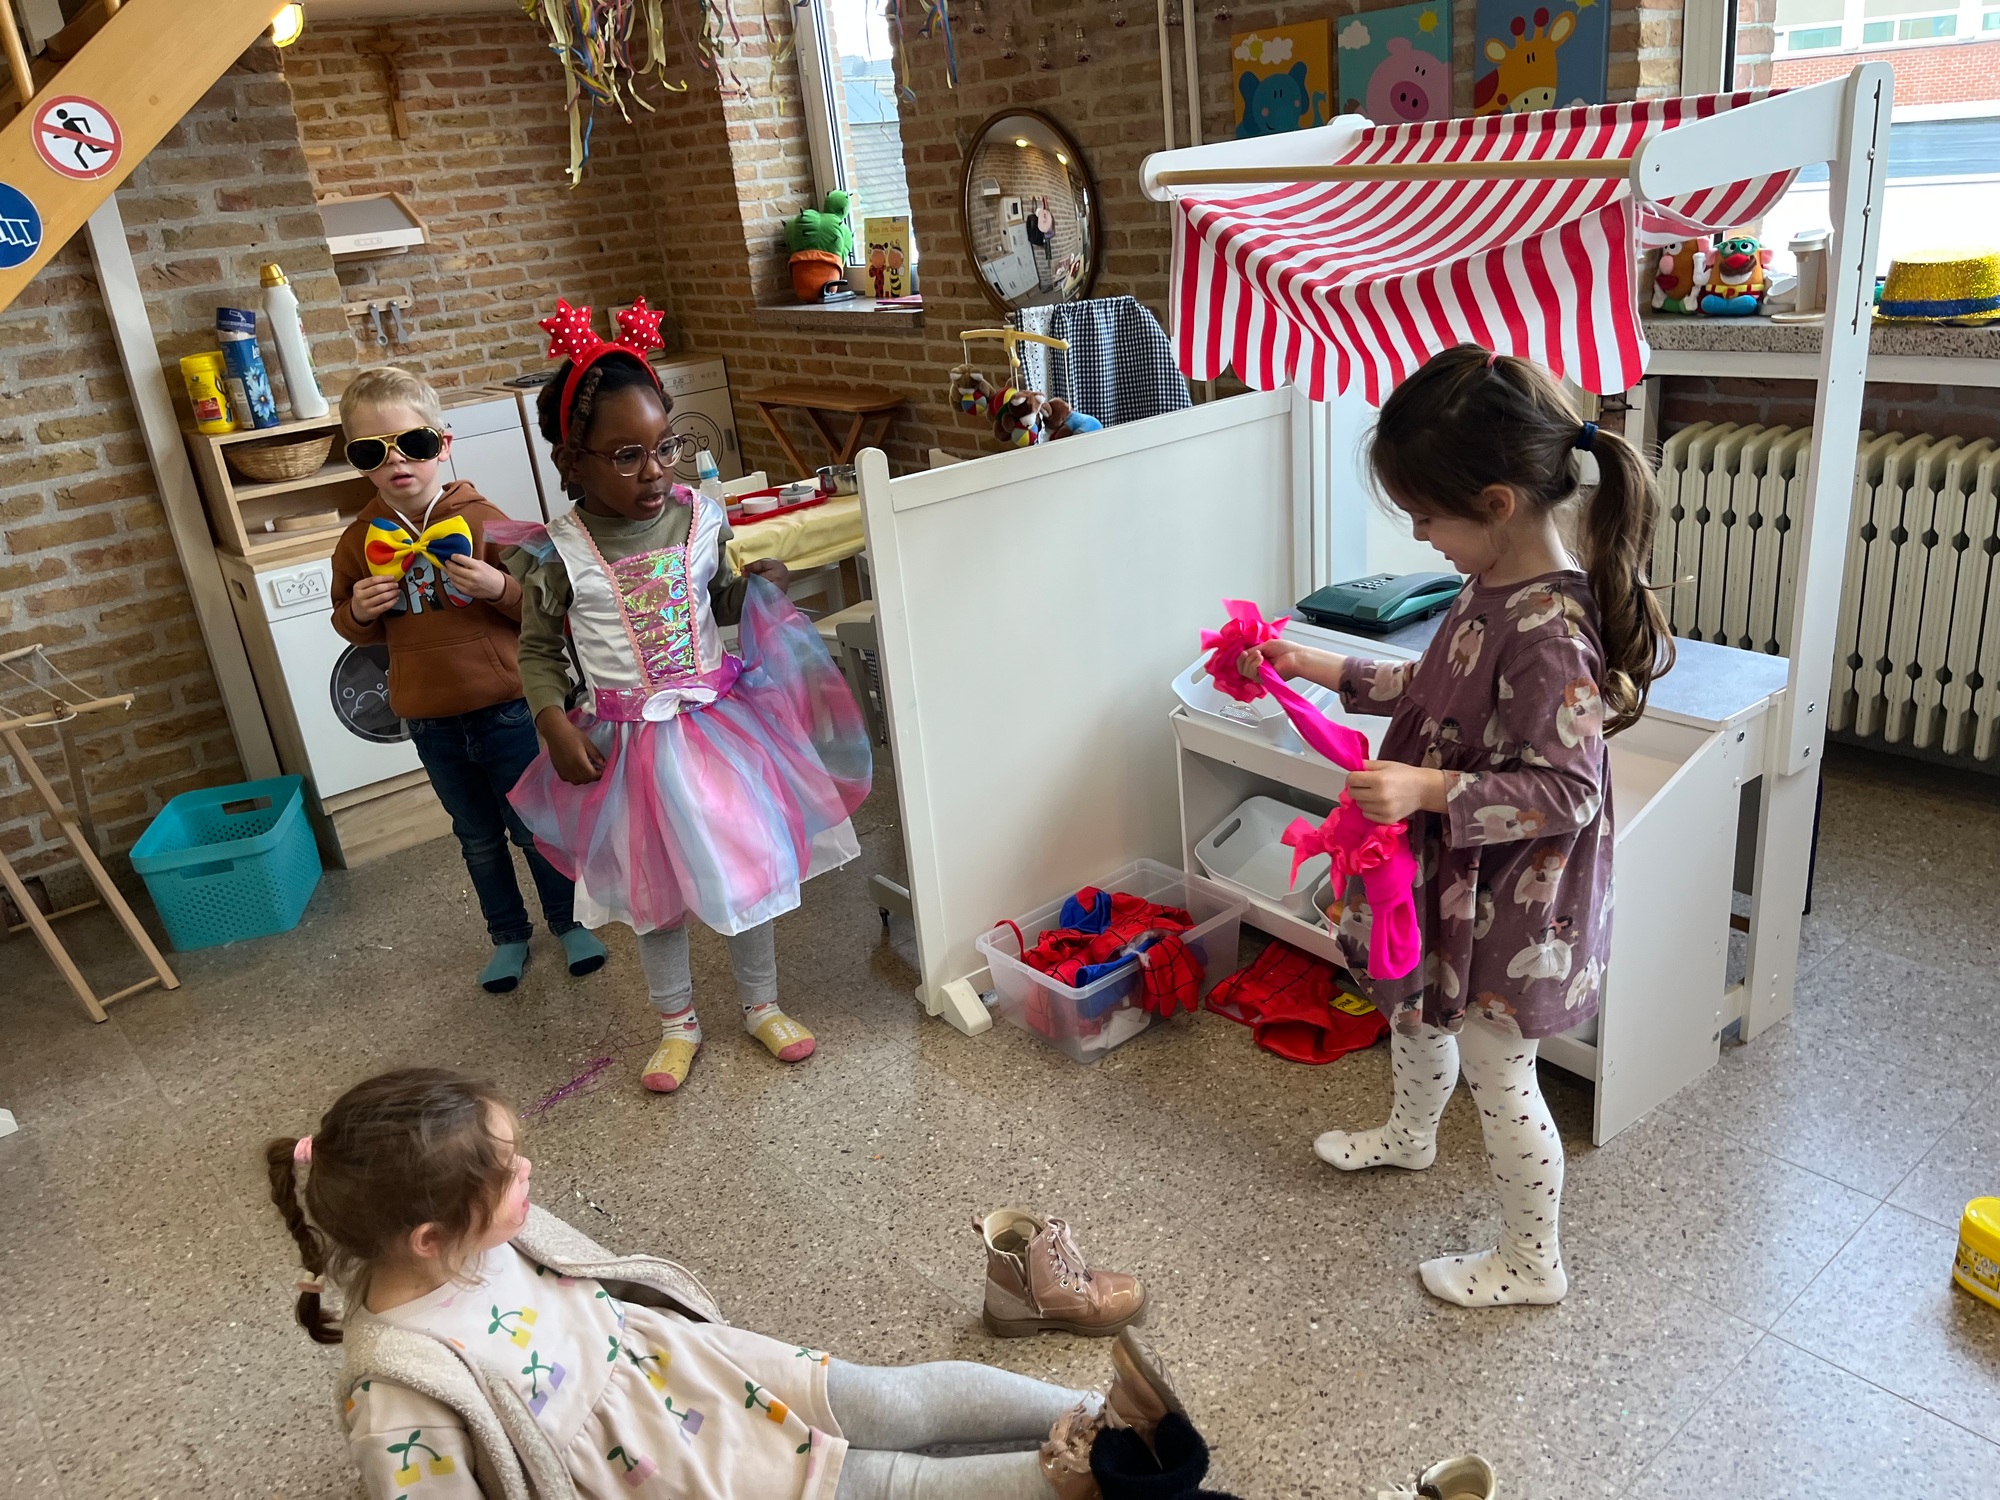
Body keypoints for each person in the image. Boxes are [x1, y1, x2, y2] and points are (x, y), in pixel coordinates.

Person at [1247, 345, 1673, 1308]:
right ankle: (1410, 1135)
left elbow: (1569, 790)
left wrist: (1429, 790)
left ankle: (1532, 1262)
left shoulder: (1549, 630)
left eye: (1427, 515)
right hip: (1454, 880)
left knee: (1498, 1069)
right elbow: (1434, 686)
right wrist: (1315, 665)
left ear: (1496, 503)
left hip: (1512, 903)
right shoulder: (1492, 584)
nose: (1417, 532)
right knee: (1415, 1006)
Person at [268, 1067, 1185, 1500]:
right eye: (507, 1173)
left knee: (891, 1400)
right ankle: (1082, 1477)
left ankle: (1096, 1411)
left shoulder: (468, 1234)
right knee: (878, 1483)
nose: (529, 1171)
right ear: (431, 1239)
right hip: (651, 1467)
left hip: (688, 1370)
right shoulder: (396, 1396)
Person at [498, 297, 870, 1093]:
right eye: (626, 455)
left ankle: (762, 1004)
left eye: (664, 446)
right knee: (653, 890)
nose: (654, 470)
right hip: (627, 744)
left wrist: (758, 587)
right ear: (572, 463)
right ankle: (677, 1024)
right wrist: (551, 720)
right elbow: (537, 650)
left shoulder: (701, 518)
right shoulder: (558, 553)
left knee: (747, 865)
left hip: (719, 728)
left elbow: (720, 599)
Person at [330, 367, 606, 994]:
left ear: (444, 444)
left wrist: (501, 586)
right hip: (427, 718)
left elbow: (546, 612)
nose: (397, 461)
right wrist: (360, 614)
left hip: (507, 707)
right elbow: (350, 624)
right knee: (476, 836)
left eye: (414, 443)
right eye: (373, 451)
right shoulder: (358, 541)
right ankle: (507, 935)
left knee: (535, 826)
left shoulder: (484, 519)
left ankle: (570, 923)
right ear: (358, 462)